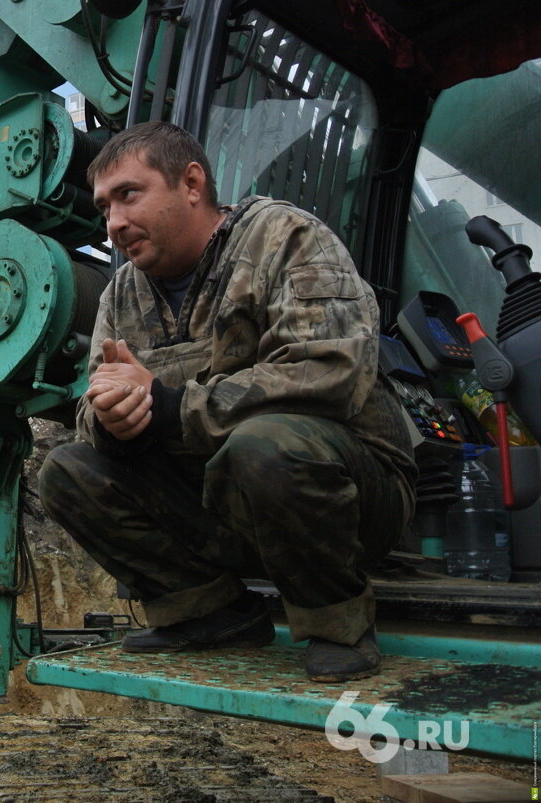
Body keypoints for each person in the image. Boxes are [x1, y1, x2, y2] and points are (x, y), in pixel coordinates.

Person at [38, 123, 416, 682]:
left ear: (191, 184)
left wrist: (167, 410)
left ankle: (337, 622)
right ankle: (213, 612)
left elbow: (327, 372)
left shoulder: (285, 237)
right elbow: (92, 407)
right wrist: (116, 422)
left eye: (128, 195)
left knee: (263, 444)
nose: (113, 223)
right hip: (227, 501)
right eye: (103, 207)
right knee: (66, 470)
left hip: (350, 499)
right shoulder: (121, 293)